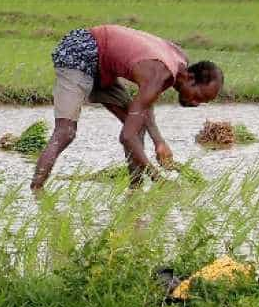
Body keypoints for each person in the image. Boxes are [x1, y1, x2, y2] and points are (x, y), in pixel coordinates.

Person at [30, 24, 223, 191]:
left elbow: (145, 106)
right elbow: (126, 136)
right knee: (66, 132)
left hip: (103, 63)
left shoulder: (178, 61)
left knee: (137, 126)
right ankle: (36, 191)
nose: (196, 103)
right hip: (80, 50)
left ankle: (135, 190)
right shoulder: (159, 74)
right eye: (199, 96)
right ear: (190, 78)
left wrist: (159, 142)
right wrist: (158, 178)